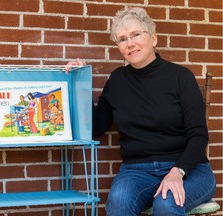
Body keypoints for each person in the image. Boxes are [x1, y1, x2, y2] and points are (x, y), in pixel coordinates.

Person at [65, 7, 216, 216]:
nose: (130, 43)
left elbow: (199, 136)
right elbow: (94, 129)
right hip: (137, 172)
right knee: (118, 203)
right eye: (122, 39)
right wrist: (80, 83)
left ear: (153, 38)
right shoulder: (117, 80)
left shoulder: (181, 77)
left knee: (166, 204)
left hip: (189, 169)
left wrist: (177, 172)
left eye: (136, 34)